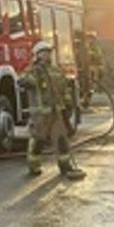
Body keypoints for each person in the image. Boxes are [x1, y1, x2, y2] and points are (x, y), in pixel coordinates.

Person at [25, 41, 86, 181]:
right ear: (37, 55)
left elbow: (64, 89)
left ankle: (65, 166)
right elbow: (24, 80)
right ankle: (34, 165)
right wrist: (28, 80)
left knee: (61, 139)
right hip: (40, 115)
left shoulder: (56, 71)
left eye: (49, 52)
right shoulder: (33, 71)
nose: (47, 55)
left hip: (56, 112)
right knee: (38, 141)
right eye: (44, 53)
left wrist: (68, 105)